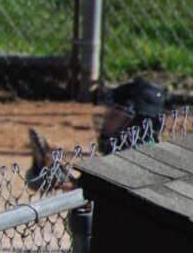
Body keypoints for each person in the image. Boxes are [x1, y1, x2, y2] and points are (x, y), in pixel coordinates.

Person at [25, 78, 167, 191]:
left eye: (114, 117)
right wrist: (63, 178)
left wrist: (71, 184)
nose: (105, 122)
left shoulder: (143, 164)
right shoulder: (143, 155)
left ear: (138, 124)